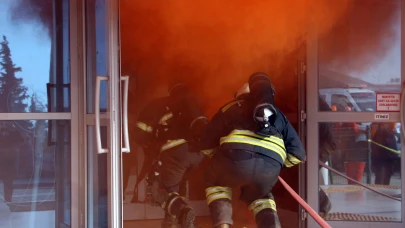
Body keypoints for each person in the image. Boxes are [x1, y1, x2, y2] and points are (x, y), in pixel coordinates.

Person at [200, 72, 306, 228]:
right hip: (269, 168)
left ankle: (222, 224)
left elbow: (205, 141)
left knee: (215, 182)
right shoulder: (278, 115)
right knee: (261, 197)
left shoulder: (232, 107)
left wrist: (219, 156)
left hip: (234, 159)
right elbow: (299, 154)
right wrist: (276, 164)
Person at [132, 82, 207, 228]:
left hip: (175, 152)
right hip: (198, 155)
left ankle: (182, 212)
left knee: (161, 191)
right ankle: (173, 220)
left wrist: (150, 143)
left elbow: (139, 134)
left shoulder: (159, 104)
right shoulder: (195, 105)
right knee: (179, 182)